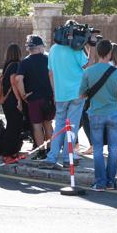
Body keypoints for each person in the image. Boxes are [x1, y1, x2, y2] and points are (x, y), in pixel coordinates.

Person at [40, 20, 96, 169]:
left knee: (59, 125)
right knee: (71, 126)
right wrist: (92, 48)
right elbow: (89, 66)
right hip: (77, 93)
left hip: (60, 93)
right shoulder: (76, 49)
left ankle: (51, 157)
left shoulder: (53, 49)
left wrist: (54, 92)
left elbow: (50, 73)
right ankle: (67, 157)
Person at [79, 40, 117, 191]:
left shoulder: (88, 72)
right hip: (113, 113)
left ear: (98, 53)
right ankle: (110, 182)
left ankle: (100, 182)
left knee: (98, 149)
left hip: (95, 114)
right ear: (109, 54)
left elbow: (81, 94)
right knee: (113, 150)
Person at [17, 36, 54, 161]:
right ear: (40, 47)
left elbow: (18, 79)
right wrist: (54, 94)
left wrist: (23, 94)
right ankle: (50, 150)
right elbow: (52, 76)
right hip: (48, 97)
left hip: (33, 99)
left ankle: (41, 151)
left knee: (37, 126)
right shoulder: (48, 60)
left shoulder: (25, 62)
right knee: (48, 124)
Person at [0, 43, 25, 162]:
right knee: (13, 127)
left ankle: (13, 152)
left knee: (14, 126)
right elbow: (13, 82)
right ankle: (7, 154)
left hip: (7, 100)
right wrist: (19, 100)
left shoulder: (7, 65)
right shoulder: (15, 65)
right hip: (12, 100)